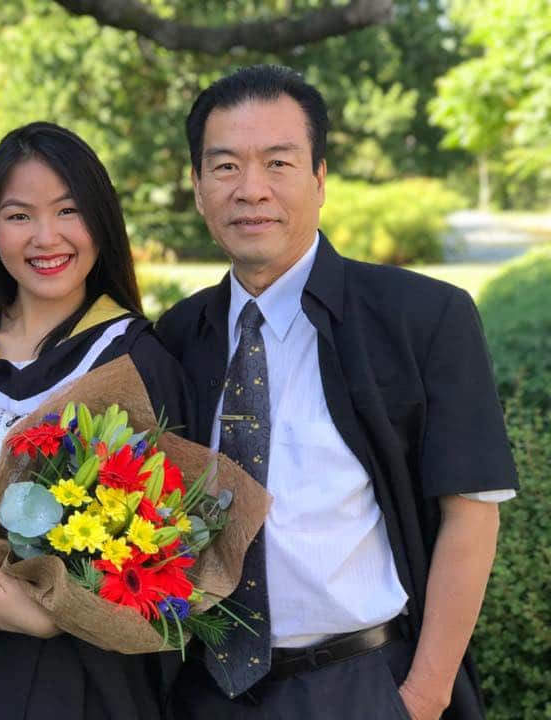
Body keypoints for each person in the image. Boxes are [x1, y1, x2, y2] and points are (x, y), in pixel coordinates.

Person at [157, 65, 517, 720]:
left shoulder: (422, 318)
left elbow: (471, 513)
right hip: (206, 691)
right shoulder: (178, 336)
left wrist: (422, 696)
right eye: (226, 167)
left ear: (320, 179)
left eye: (278, 163)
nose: (251, 189)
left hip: (360, 685)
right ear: (199, 188)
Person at [0, 122, 189, 720]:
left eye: (68, 210)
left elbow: (167, 554)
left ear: (101, 219)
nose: (46, 236)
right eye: (19, 215)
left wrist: (45, 616)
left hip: (80, 680)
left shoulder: (138, 362)